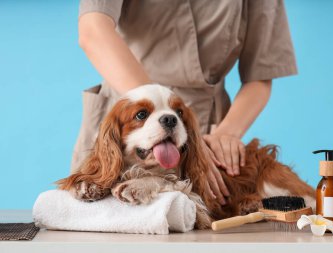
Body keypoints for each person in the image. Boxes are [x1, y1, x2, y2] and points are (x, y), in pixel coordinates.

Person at [71, 0, 297, 206]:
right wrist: (149, 105)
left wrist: (225, 134)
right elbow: (93, 30)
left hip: (205, 128)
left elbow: (261, 74)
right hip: (125, 113)